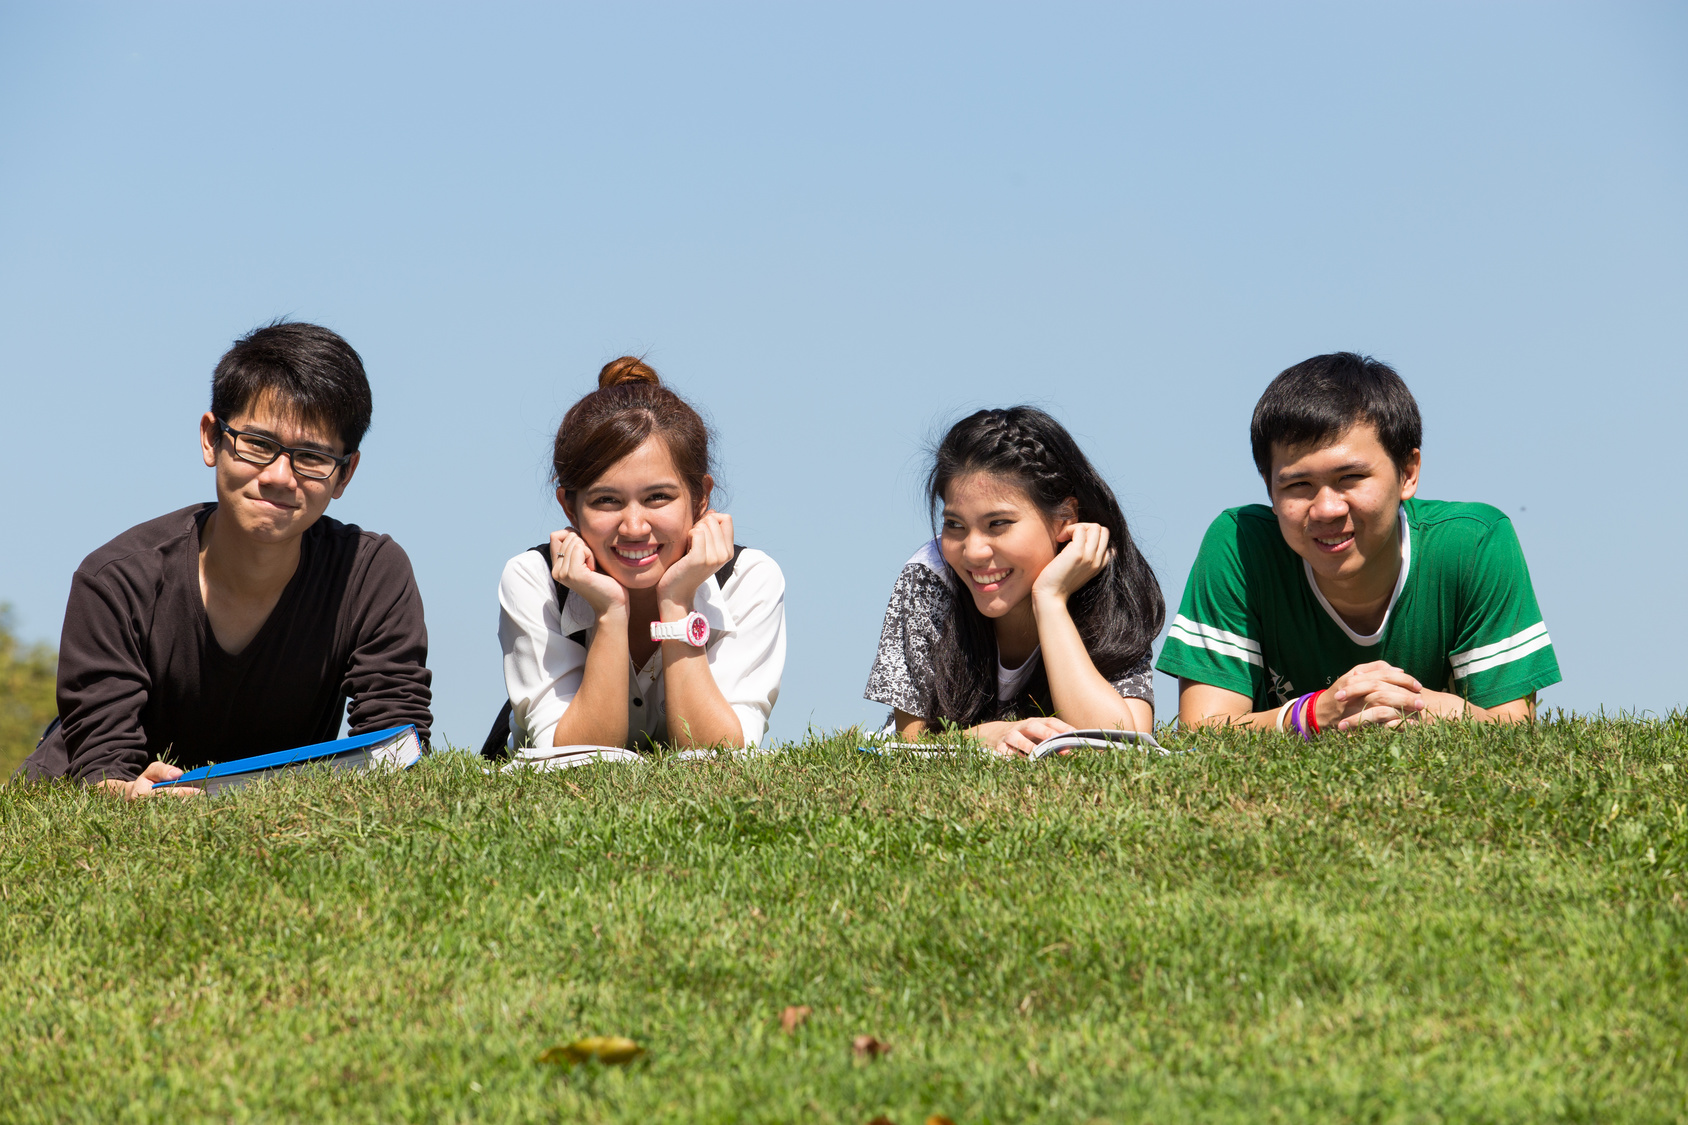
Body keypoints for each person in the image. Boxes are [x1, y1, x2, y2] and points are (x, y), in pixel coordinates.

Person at [20, 321, 433, 797]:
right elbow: (102, 766)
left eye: (312, 457)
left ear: (345, 475)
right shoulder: (116, 580)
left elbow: (396, 745)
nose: (280, 476)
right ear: (211, 438)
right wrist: (125, 792)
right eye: (258, 445)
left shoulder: (370, 574)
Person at [1158, 352, 1561, 733]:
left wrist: (1408, 703)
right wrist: (1313, 713)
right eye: (1299, 484)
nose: (1326, 509)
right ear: (1269, 488)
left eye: (1350, 478)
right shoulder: (1240, 546)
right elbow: (1204, 729)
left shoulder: (1474, 543)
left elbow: (1512, 730)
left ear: (1408, 473)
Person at [496, 357, 785, 758]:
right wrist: (610, 612)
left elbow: (722, 756)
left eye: (658, 498)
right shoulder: (534, 580)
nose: (634, 527)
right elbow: (577, 759)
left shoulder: (750, 579)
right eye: (606, 500)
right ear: (569, 507)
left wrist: (677, 601)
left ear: (701, 497)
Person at [864, 406, 1164, 756]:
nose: (973, 551)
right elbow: (911, 742)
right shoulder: (930, 577)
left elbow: (1120, 744)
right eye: (955, 525)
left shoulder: (1112, 583)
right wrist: (983, 738)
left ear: (1065, 517)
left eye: (999, 524)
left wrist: (1050, 601)